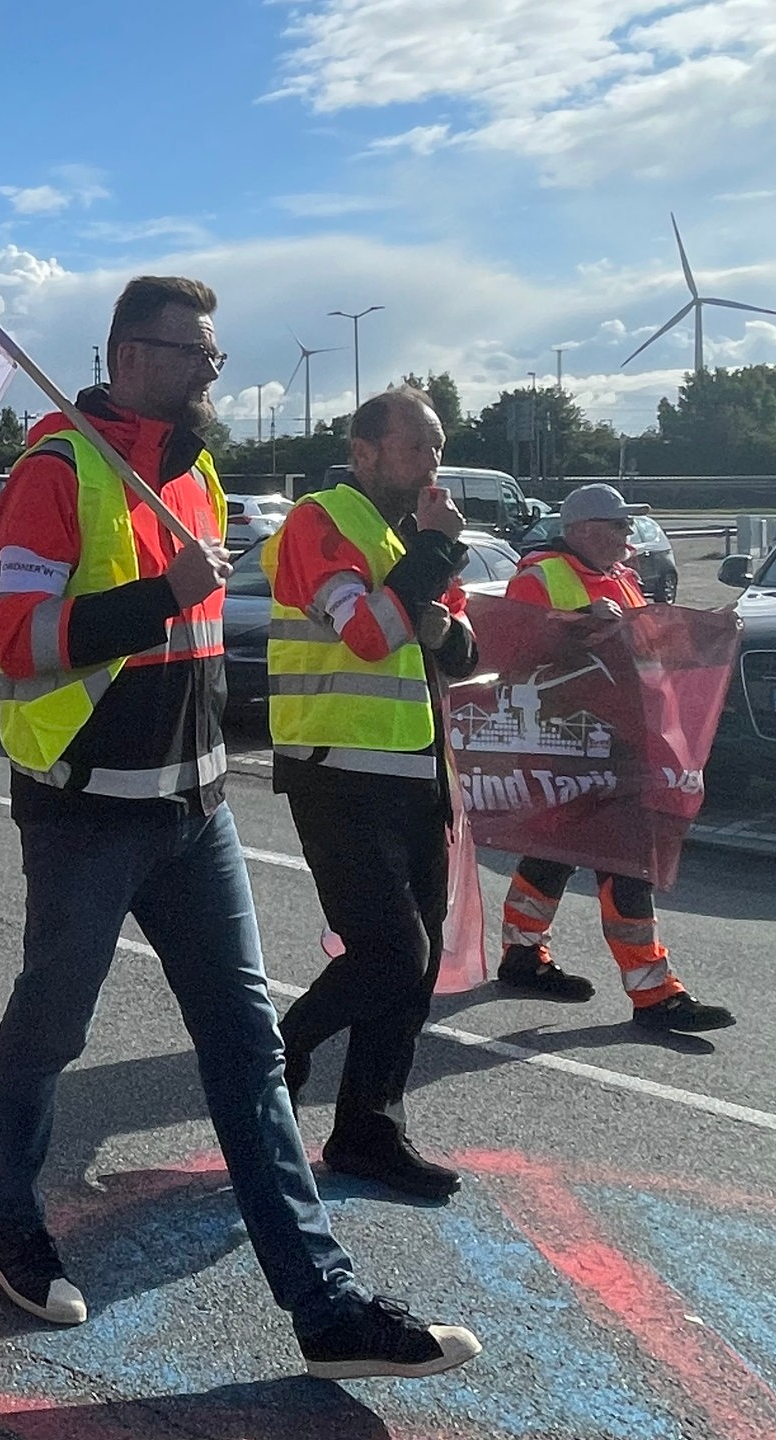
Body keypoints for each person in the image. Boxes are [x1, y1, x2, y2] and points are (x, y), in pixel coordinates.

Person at [0, 277, 479, 1379]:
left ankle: (325, 1306)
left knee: (250, 1052)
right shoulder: (55, 469)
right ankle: (6, 1219)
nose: (214, 371)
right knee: (52, 1028)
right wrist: (156, 594)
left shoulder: (195, 470)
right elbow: (13, 636)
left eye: (213, 354)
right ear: (128, 353)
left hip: (193, 808)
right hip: (86, 809)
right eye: (197, 355)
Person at [266, 386, 481, 1203]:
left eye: (438, 445)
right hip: (338, 770)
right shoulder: (320, 519)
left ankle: (369, 1132)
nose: (434, 461)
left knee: (410, 973)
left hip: (416, 772)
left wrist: (434, 594)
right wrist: (428, 558)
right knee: (396, 953)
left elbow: (457, 647)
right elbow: (366, 635)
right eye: (420, 445)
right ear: (364, 451)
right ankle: (279, 1050)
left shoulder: (405, 537)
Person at [497, 483, 736, 1032]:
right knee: (627, 861)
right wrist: (581, 618)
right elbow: (515, 652)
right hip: (572, 741)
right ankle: (654, 994)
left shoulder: (622, 579)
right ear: (582, 530)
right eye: (619, 525)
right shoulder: (539, 578)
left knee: (554, 849)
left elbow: (643, 649)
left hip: (619, 739)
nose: (630, 535)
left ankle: (521, 955)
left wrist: (709, 632)